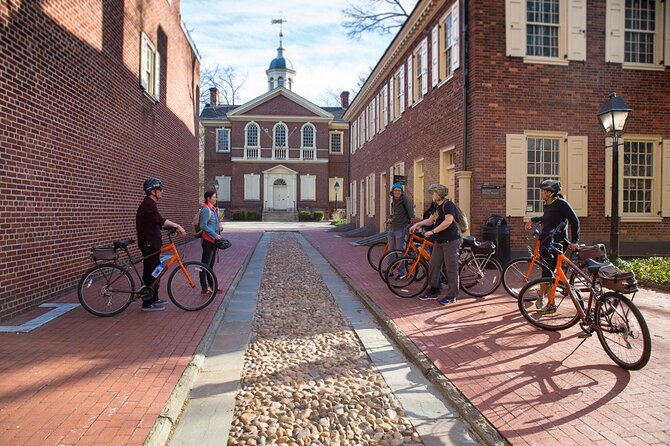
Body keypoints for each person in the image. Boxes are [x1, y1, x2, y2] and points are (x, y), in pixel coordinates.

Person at [524, 179, 580, 314]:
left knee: (548, 272)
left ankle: (550, 303)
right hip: (546, 241)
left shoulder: (561, 203)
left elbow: (574, 220)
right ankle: (542, 295)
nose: (541, 193)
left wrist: (574, 240)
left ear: (550, 192)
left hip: (557, 242)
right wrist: (533, 220)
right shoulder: (548, 204)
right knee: (546, 270)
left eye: (543, 191)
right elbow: (547, 218)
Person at [136, 178, 186, 312]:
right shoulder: (148, 204)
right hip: (148, 244)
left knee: (155, 271)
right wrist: (177, 225)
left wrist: (171, 228)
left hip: (152, 243)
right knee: (150, 273)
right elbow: (159, 220)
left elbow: (155, 222)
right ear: (153, 191)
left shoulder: (150, 204)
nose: (162, 192)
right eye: (160, 190)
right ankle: (147, 303)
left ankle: (154, 298)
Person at [409, 184, 462, 305]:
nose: (431, 195)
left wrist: (433, 231)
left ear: (439, 194)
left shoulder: (448, 205)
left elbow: (448, 221)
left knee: (451, 269)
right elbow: (430, 220)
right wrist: (417, 225)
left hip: (451, 240)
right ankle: (434, 290)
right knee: (433, 265)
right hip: (440, 241)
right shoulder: (436, 207)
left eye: (433, 193)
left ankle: (452, 295)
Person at [199, 190, 224, 294]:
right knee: (205, 265)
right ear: (208, 198)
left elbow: (213, 223)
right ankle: (204, 288)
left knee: (211, 265)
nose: (215, 199)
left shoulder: (213, 209)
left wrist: (220, 226)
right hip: (208, 241)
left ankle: (212, 285)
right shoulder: (206, 209)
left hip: (213, 241)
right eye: (214, 197)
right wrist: (214, 235)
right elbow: (203, 225)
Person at [387, 183, 415, 276]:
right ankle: (390, 270)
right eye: (395, 190)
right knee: (391, 250)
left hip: (401, 228)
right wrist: (390, 219)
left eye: (399, 190)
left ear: (402, 192)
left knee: (400, 251)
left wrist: (412, 224)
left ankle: (401, 272)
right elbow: (394, 214)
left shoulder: (405, 200)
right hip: (392, 228)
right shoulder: (393, 202)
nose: (397, 192)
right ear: (392, 192)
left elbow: (411, 213)